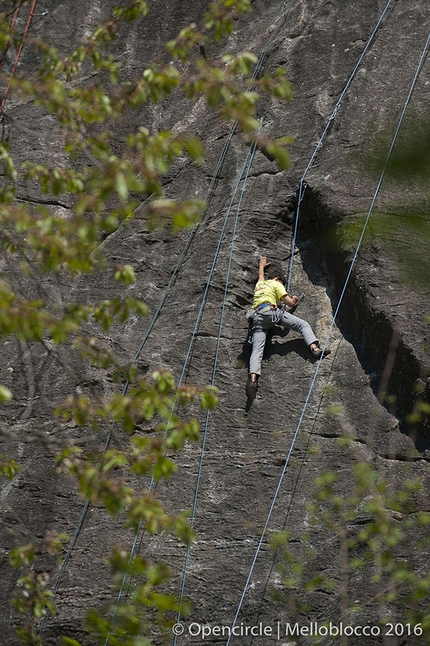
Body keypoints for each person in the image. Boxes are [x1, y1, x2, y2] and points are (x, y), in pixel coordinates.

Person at [246, 256, 330, 399]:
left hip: (257, 318)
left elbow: (260, 275)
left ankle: (253, 380)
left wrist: (262, 265)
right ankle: (315, 349)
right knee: (302, 324)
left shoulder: (260, 285)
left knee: (257, 350)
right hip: (271, 312)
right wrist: (295, 299)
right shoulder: (277, 285)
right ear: (278, 279)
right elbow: (290, 303)